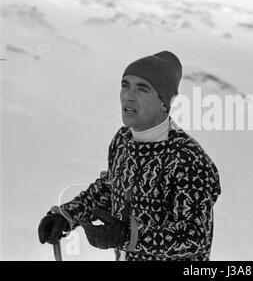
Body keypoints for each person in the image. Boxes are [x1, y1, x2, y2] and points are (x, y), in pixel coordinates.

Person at [38, 51, 221, 261]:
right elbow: (110, 188)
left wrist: (129, 236)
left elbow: (195, 236)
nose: (128, 95)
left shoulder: (187, 159)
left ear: (165, 103)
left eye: (142, 89)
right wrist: (67, 215)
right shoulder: (122, 140)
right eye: (125, 85)